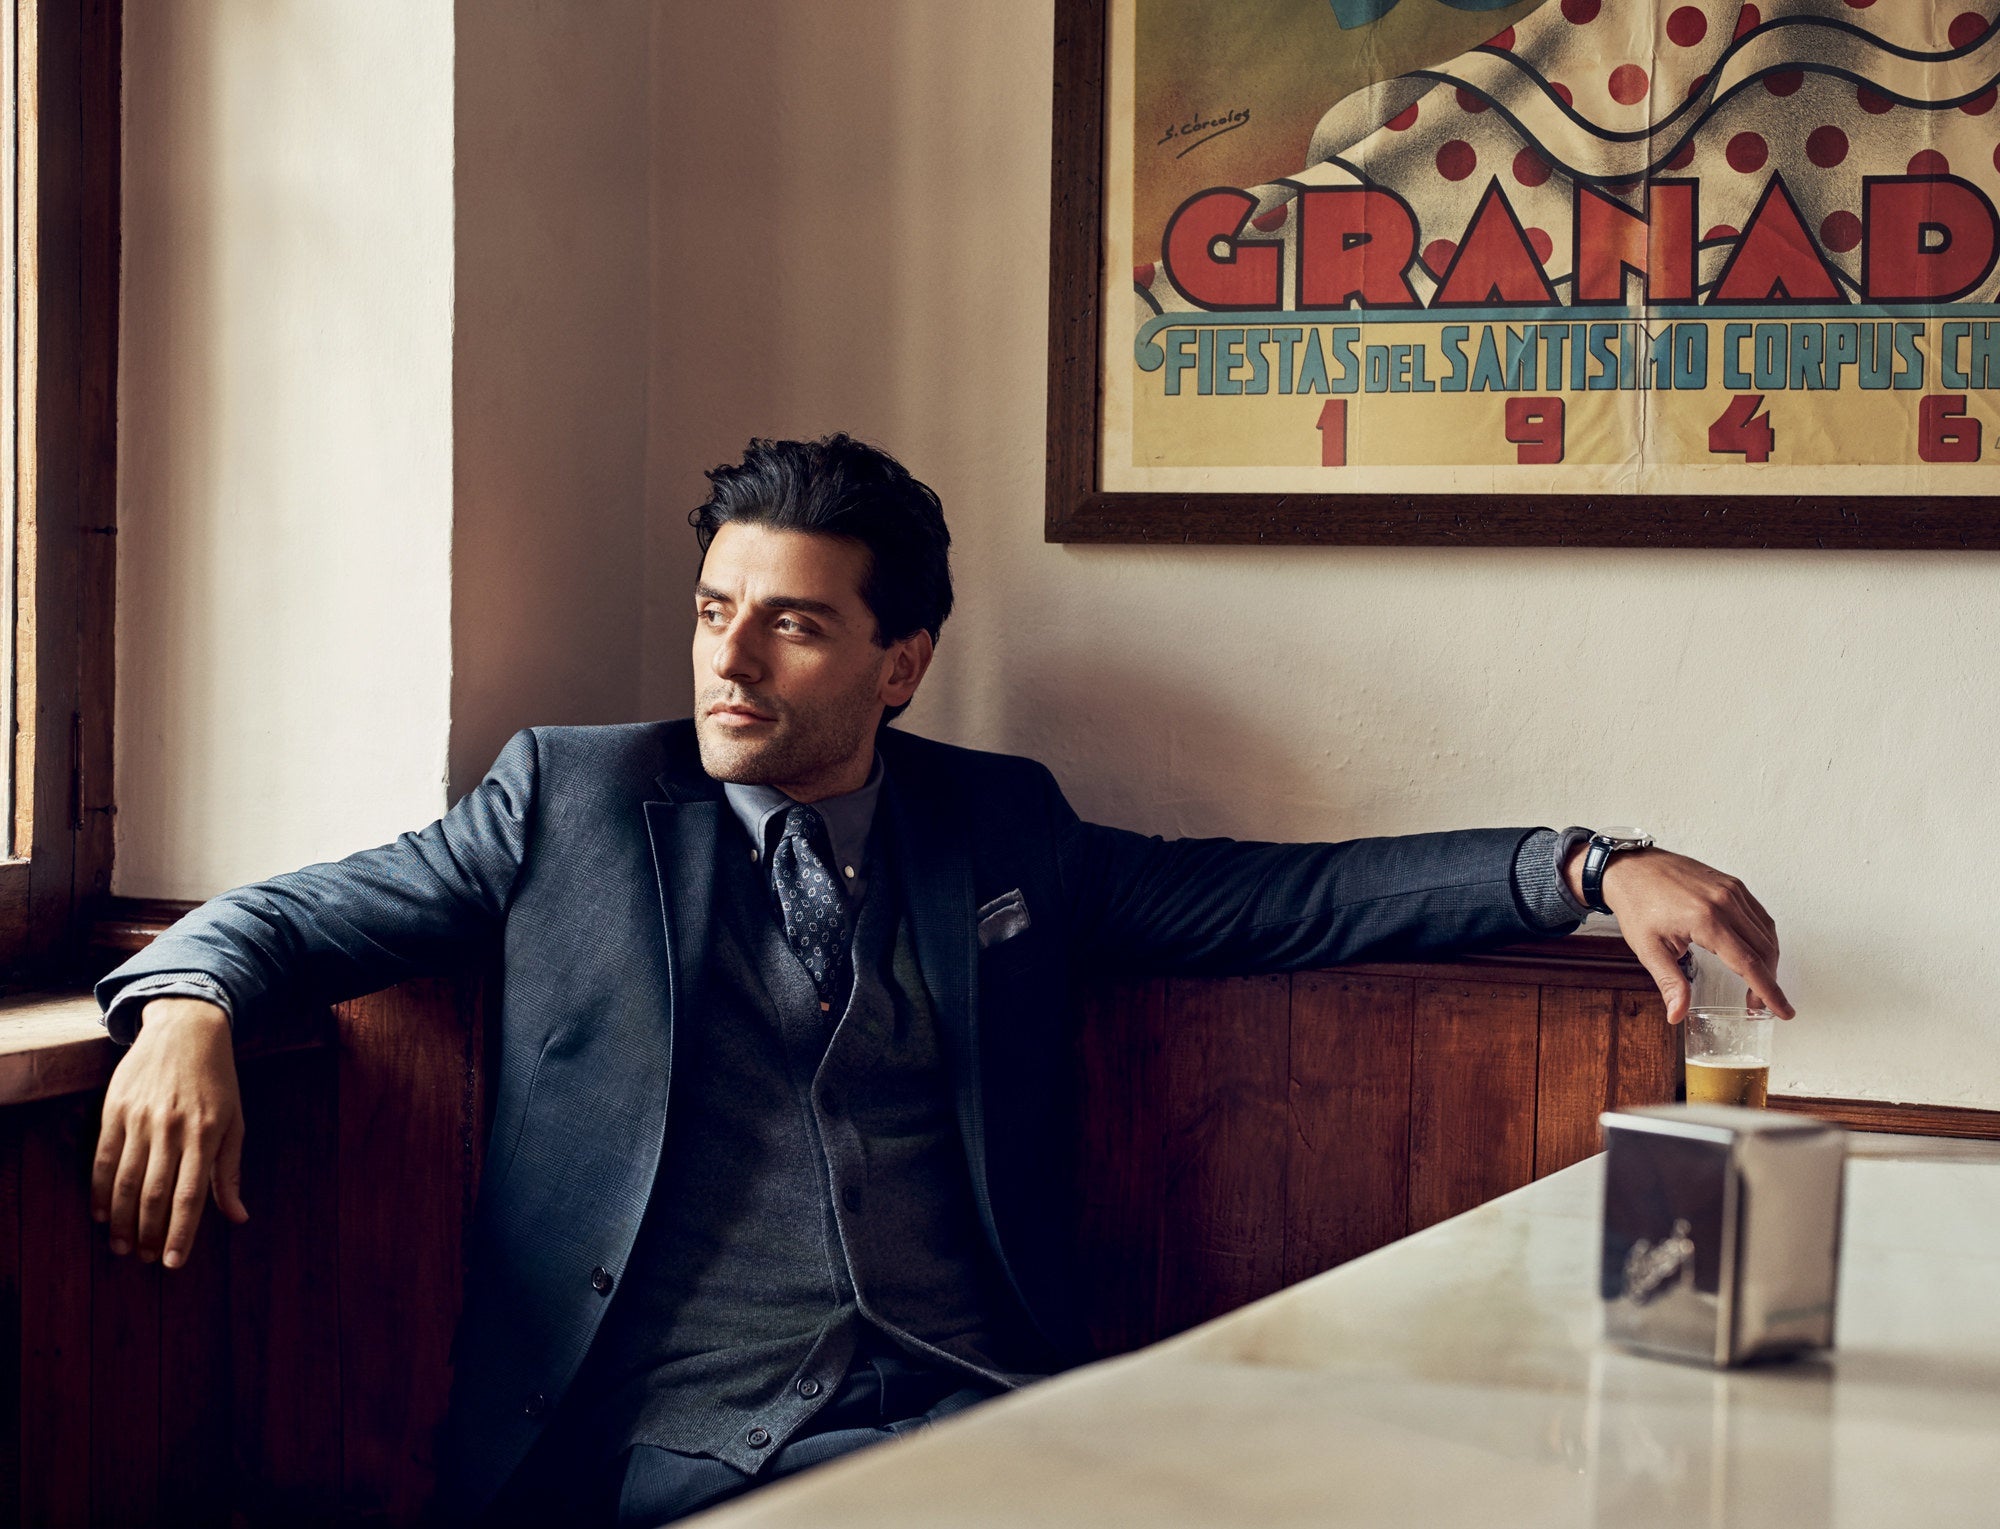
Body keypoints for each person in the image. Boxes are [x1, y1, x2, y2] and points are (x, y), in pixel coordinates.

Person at [92, 434, 1789, 1527]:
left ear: (901, 661)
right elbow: (297, 914)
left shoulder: (1003, 828)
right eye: (712, 611)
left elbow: (1265, 898)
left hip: (995, 1402)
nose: (731, 660)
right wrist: (186, 1006)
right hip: (682, 1446)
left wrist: (1581, 861)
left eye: (794, 626)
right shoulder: (575, 803)